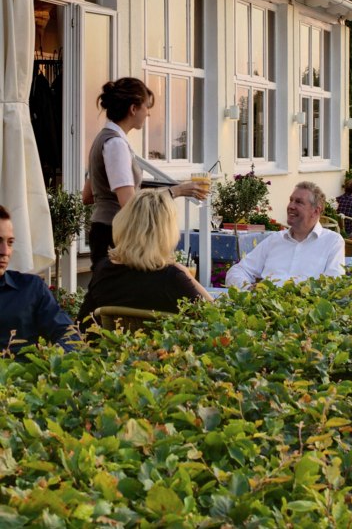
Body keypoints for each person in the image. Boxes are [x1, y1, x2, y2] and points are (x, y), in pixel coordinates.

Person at [82, 78, 207, 269]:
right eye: (146, 107)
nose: (148, 114)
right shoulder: (116, 145)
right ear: (133, 109)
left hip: (102, 229)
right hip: (116, 234)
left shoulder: (102, 139)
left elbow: (88, 196)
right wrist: (177, 191)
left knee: (104, 290)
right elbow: (131, 205)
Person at [77, 190, 211, 327]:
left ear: (124, 224)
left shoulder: (104, 271)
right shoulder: (172, 278)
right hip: (163, 349)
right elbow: (215, 320)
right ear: (167, 232)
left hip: (113, 347)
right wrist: (186, 275)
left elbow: (82, 324)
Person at [224, 183, 345, 289]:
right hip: (264, 310)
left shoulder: (332, 241)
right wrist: (248, 288)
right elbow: (237, 271)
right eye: (291, 200)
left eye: (299, 202)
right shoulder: (275, 240)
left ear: (316, 211)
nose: (291, 206)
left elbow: (333, 284)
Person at [0, 205, 76, 352]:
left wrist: (54, 365)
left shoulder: (31, 288)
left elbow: (68, 334)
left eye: (10, 242)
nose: (5, 251)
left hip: (23, 373)